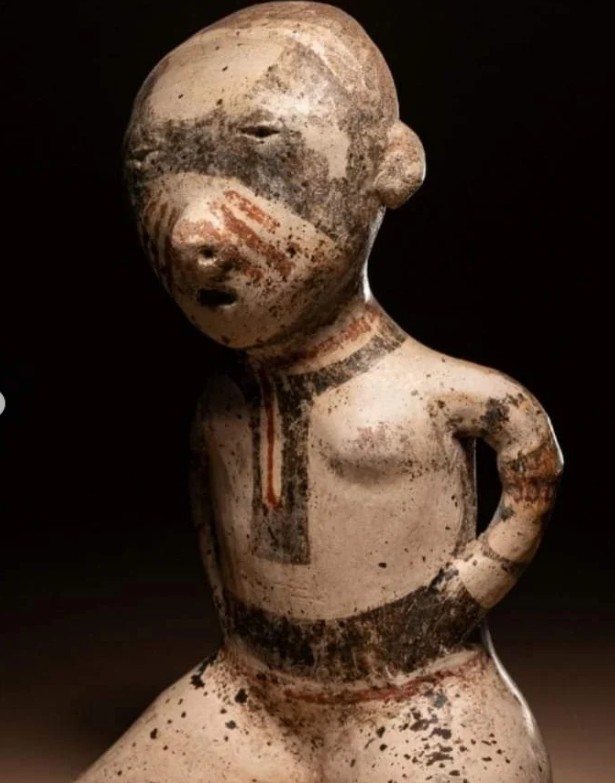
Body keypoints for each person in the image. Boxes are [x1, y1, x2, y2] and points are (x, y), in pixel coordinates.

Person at [77, 3, 562, 781]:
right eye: (149, 171)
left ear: (389, 167)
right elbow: (208, 514)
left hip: (420, 700)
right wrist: (241, 637)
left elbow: (531, 458)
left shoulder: (437, 391)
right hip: (248, 695)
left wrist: (456, 602)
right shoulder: (220, 403)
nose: (188, 232)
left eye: (261, 146)